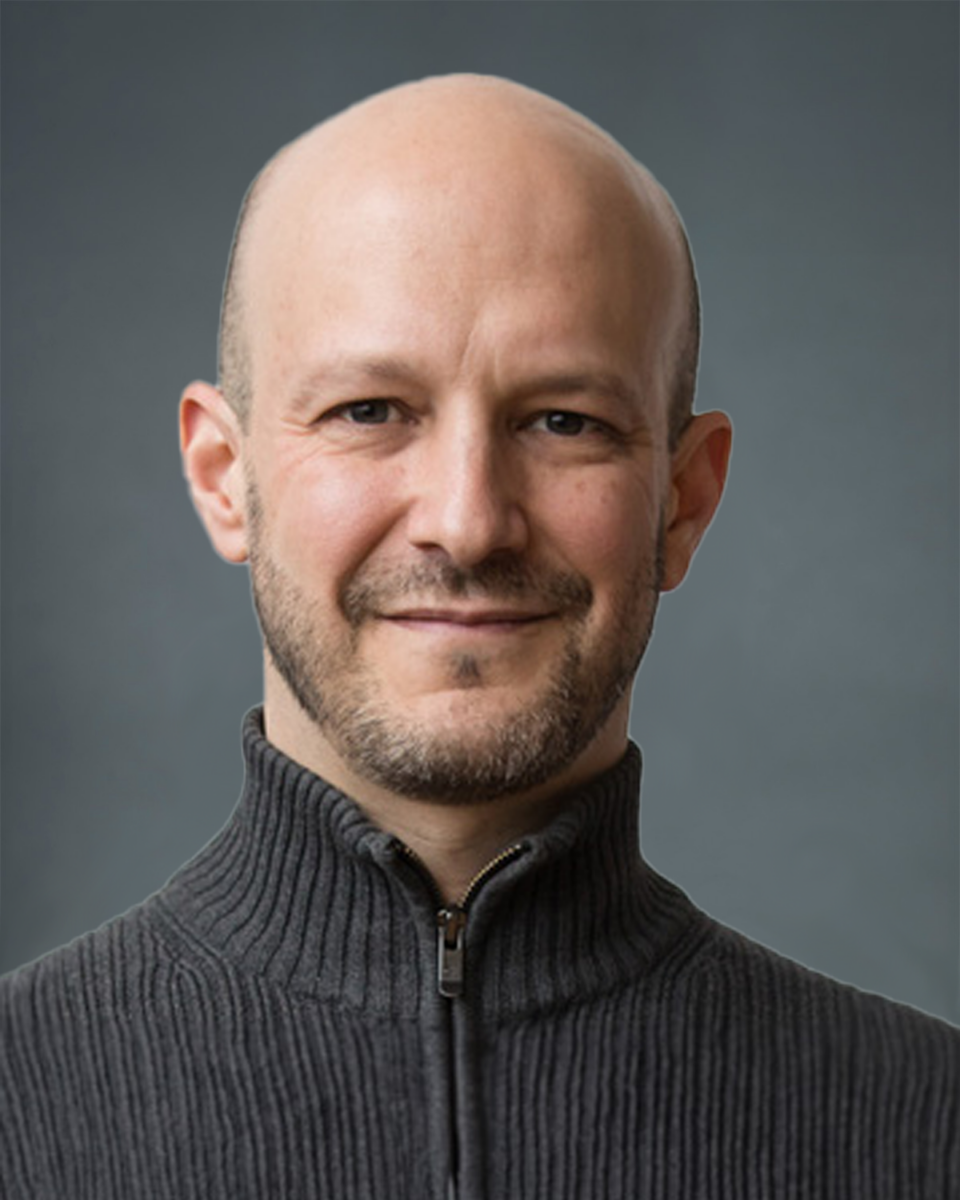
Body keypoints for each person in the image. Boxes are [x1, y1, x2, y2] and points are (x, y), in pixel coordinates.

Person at [1, 74, 956, 1200]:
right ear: (225, 479)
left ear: (684, 502)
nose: (466, 519)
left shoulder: (925, 1129)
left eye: (564, 421)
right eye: (370, 411)